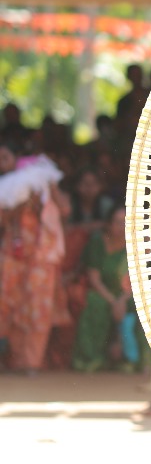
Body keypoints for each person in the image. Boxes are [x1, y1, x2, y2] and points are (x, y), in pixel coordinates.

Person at [0, 137, 65, 373]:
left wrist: (50, 189)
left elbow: (65, 209)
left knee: (38, 306)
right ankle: (16, 359)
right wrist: (21, 205)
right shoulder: (6, 188)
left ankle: (32, 362)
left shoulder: (41, 182)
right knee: (11, 304)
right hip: (12, 255)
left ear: (18, 159)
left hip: (41, 255)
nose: (1, 163)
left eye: (4, 157)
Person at [72, 207, 146, 372]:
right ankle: (91, 358)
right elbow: (94, 278)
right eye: (118, 222)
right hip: (103, 292)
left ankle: (134, 361)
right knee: (94, 303)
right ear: (109, 224)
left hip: (129, 295)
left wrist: (122, 300)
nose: (122, 227)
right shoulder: (98, 243)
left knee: (142, 308)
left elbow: (141, 280)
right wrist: (113, 302)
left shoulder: (138, 246)